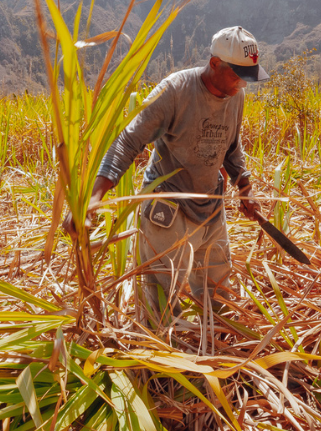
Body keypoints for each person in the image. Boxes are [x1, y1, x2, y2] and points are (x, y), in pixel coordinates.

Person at [88, 26, 270, 325]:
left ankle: (216, 352)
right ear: (214, 64)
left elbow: (232, 148)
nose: (243, 84)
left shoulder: (235, 95)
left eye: (248, 77)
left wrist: (245, 188)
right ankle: (161, 367)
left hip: (211, 206)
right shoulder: (176, 91)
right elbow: (127, 141)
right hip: (169, 210)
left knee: (219, 294)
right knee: (161, 304)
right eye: (237, 75)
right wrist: (94, 199)